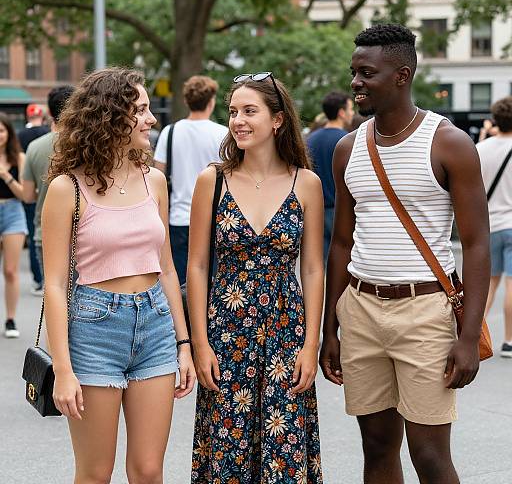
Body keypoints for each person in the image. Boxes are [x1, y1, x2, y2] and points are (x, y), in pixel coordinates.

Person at [319, 24, 490, 484]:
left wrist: (468, 335)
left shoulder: (448, 143)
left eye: (367, 73)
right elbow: (340, 242)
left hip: (425, 312)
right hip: (361, 309)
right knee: (376, 450)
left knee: (430, 457)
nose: (356, 82)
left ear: (402, 75)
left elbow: (475, 245)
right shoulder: (346, 149)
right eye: (354, 72)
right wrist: (329, 330)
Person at [42, 67, 195, 483]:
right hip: (94, 330)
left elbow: (165, 267)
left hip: (156, 326)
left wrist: (184, 344)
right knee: (95, 474)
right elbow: (53, 286)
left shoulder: (155, 181)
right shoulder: (67, 189)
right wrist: (63, 369)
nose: (151, 119)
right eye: (141, 110)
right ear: (110, 117)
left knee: (148, 471)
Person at [188, 72, 324, 483]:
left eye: (250, 111)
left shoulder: (307, 184)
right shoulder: (212, 180)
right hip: (226, 333)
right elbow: (195, 266)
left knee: (284, 453)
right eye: (233, 112)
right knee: (228, 454)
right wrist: (199, 342)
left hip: (286, 332)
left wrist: (311, 344)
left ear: (277, 119)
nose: (238, 121)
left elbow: (314, 268)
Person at [153, 75, 227, 285]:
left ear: (186, 101)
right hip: (215, 218)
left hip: (178, 217)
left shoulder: (170, 132)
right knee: (211, 283)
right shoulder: (222, 134)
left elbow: (158, 173)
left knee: (180, 282)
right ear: (211, 101)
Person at [22, 85, 75, 285]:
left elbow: (27, 195)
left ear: (51, 113)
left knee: (54, 295)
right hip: (83, 231)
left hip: (45, 232)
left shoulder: (34, 148)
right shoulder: (85, 144)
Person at [477, 96, 512, 358]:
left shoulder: (482, 149)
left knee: (489, 284)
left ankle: (478, 335)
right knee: (511, 286)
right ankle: (509, 341)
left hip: (489, 224)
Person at [307, 91, 354, 261]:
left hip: (315, 210)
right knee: (342, 260)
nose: (352, 113)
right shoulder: (348, 141)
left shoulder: (310, 139)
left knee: (319, 262)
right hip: (341, 211)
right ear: (341, 112)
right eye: (350, 109)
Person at [0, 113, 28, 338]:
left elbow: (25, 195)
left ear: (8, 133)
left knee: (10, 270)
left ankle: (10, 319)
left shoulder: (19, 158)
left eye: (2, 130)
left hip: (13, 212)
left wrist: (5, 176)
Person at [18, 103, 50, 293]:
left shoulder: (22, 136)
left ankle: (38, 279)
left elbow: (24, 171)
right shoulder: (47, 133)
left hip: (36, 195)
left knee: (34, 237)